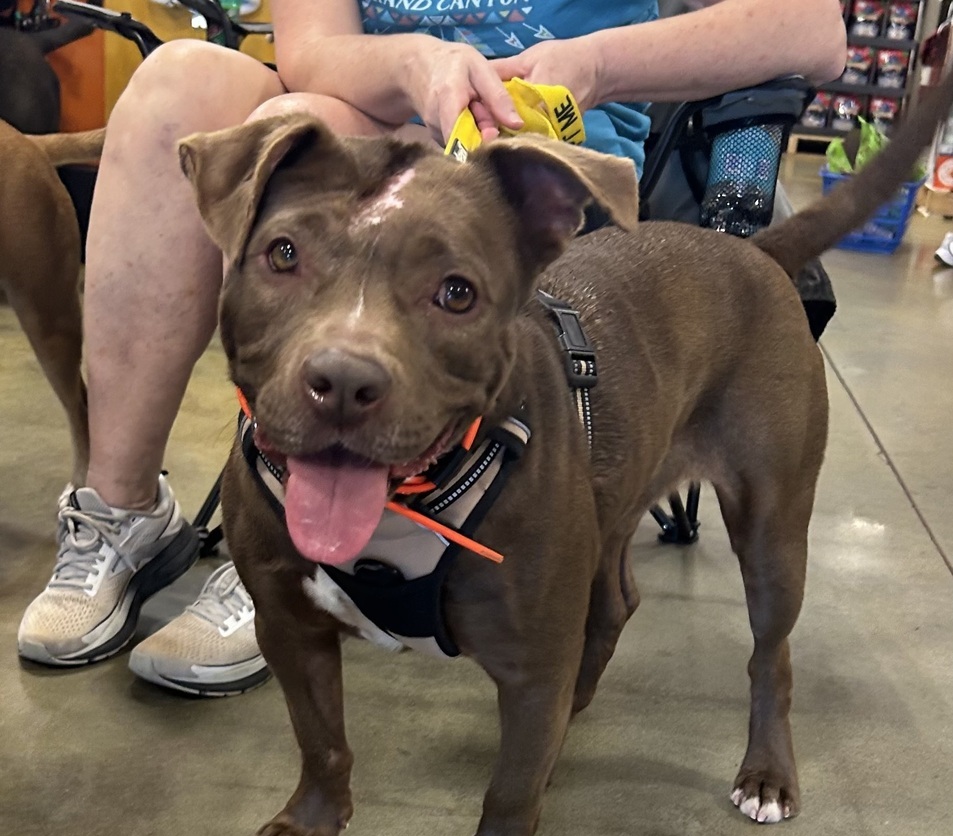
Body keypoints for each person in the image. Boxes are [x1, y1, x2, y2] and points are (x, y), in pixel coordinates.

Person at [17, 0, 848, 695]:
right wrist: (415, 60)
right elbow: (308, 50)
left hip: (533, 153)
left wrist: (591, 64)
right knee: (176, 82)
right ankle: (124, 510)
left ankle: (295, 537)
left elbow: (808, 27)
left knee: (293, 123)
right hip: (372, 107)